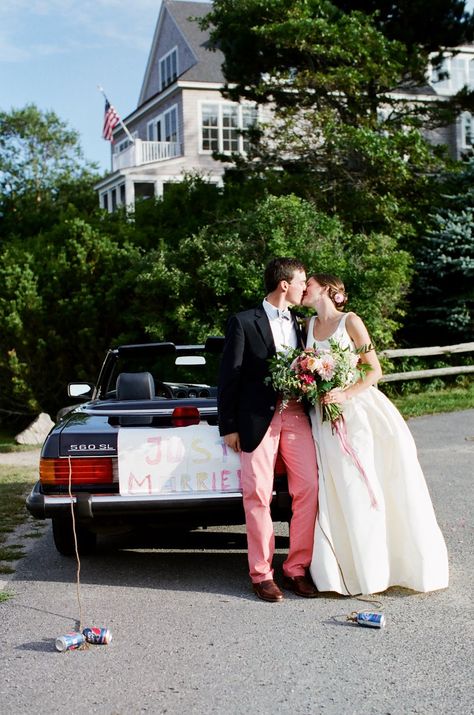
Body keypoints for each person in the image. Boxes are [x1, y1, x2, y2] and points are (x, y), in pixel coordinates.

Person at [302, 273, 449, 595]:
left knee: (362, 481)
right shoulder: (308, 327)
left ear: (326, 289)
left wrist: (345, 393)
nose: (303, 289)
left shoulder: (351, 322)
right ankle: (344, 566)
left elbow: (373, 369)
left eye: (308, 284)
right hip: (323, 416)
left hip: (358, 412)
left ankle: (379, 566)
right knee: (334, 486)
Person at [218, 257, 319, 602]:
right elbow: (228, 376)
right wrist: (228, 426)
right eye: (302, 281)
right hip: (255, 419)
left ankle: (296, 570)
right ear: (284, 284)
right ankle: (262, 574)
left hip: (294, 415)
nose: (306, 287)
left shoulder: (303, 324)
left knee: (308, 488)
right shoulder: (244, 322)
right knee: (258, 494)